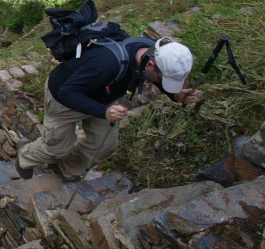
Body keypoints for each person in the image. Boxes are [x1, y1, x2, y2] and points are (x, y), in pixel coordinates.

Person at [16, 37, 202, 182]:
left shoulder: (152, 52)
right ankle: (25, 156)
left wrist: (175, 95)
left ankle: (67, 169)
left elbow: (152, 77)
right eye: (163, 78)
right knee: (57, 148)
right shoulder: (107, 63)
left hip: (101, 98)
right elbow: (67, 92)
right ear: (151, 64)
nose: (161, 82)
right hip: (63, 100)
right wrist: (104, 112)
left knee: (104, 144)